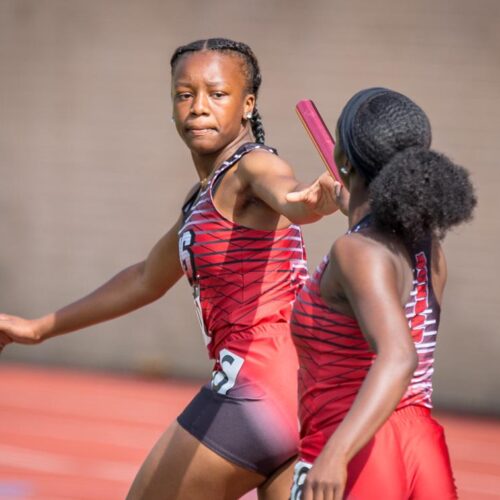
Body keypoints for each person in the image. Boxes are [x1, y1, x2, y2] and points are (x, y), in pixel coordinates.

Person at [0, 38, 339, 499]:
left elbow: (290, 196)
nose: (199, 107)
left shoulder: (254, 165)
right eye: (185, 94)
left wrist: (310, 201)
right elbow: (145, 278)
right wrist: (38, 328)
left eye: (217, 94)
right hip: (304, 389)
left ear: (248, 104)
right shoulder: (203, 199)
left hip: (259, 383)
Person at [287, 88, 476, 499]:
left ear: (342, 160)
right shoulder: (426, 246)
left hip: (359, 447)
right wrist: (354, 214)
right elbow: (377, 262)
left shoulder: (357, 252)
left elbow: (398, 355)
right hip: (420, 447)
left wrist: (335, 454)